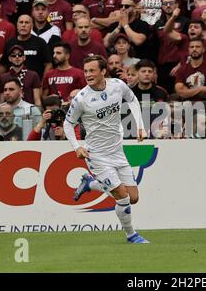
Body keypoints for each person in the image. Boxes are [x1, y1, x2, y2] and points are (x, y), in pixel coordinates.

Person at [63, 55, 149, 244]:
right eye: (86, 71)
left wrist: (140, 126)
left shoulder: (117, 85)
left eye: (92, 70)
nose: (88, 75)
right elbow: (68, 124)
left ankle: (90, 184)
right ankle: (131, 235)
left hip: (117, 151)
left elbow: (133, 100)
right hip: (97, 155)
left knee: (133, 197)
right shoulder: (81, 99)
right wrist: (77, 147)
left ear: (103, 71)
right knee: (122, 195)